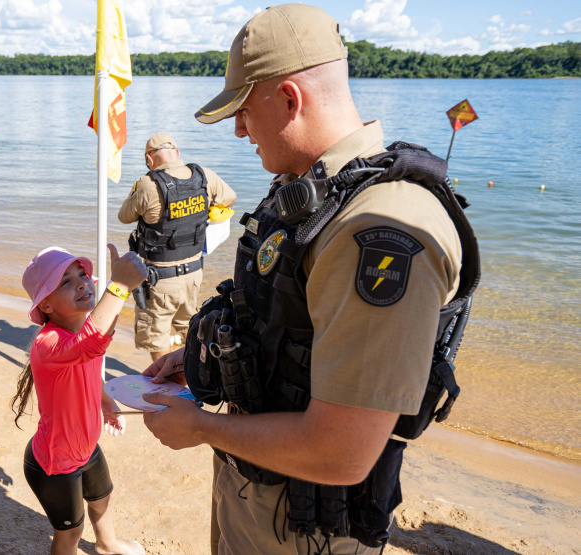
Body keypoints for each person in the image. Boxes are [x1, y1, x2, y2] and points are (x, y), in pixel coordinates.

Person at [140, 4, 480, 555]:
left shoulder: (380, 226)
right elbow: (281, 319)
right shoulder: (313, 190)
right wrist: (206, 360)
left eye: (245, 110)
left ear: (290, 99)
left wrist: (203, 428)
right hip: (253, 487)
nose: (239, 129)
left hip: (300, 530)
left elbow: (342, 450)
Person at [12, 245, 147, 555]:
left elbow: (92, 358)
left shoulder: (80, 336)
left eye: (83, 274)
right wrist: (119, 286)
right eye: (66, 281)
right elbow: (93, 342)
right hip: (55, 463)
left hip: (86, 446)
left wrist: (105, 402)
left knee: (103, 499)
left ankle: (108, 544)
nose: (83, 283)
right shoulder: (49, 343)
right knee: (70, 534)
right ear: (45, 305)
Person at [118, 133, 236, 362]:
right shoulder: (205, 176)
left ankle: (168, 384)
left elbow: (124, 216)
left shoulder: (148, 184)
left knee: (156, 335)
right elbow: (229, 198)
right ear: (177, 153)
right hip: (194, 272)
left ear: (150, 159)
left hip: (160, 279)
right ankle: (195, 376)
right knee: (189, 327)